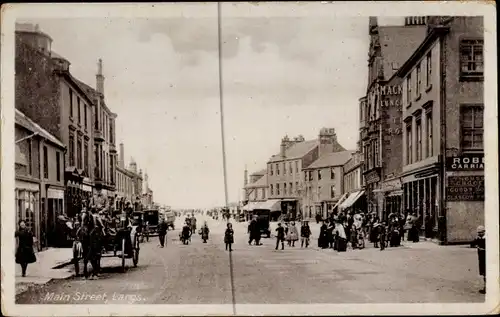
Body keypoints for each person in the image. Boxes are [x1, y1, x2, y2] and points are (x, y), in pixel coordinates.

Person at [472, 225, 486, 294]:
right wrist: (476, 241)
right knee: (483, 273)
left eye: (481, 232)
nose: (480, 234)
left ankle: (486, 287)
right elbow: (472, 244)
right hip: (481, 258)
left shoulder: (486, 239)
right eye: (478, 233)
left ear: (484, 232)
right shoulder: (478, 238)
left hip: (486, 258)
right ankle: (485, 287)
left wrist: (482, 249)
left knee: (487, 272)